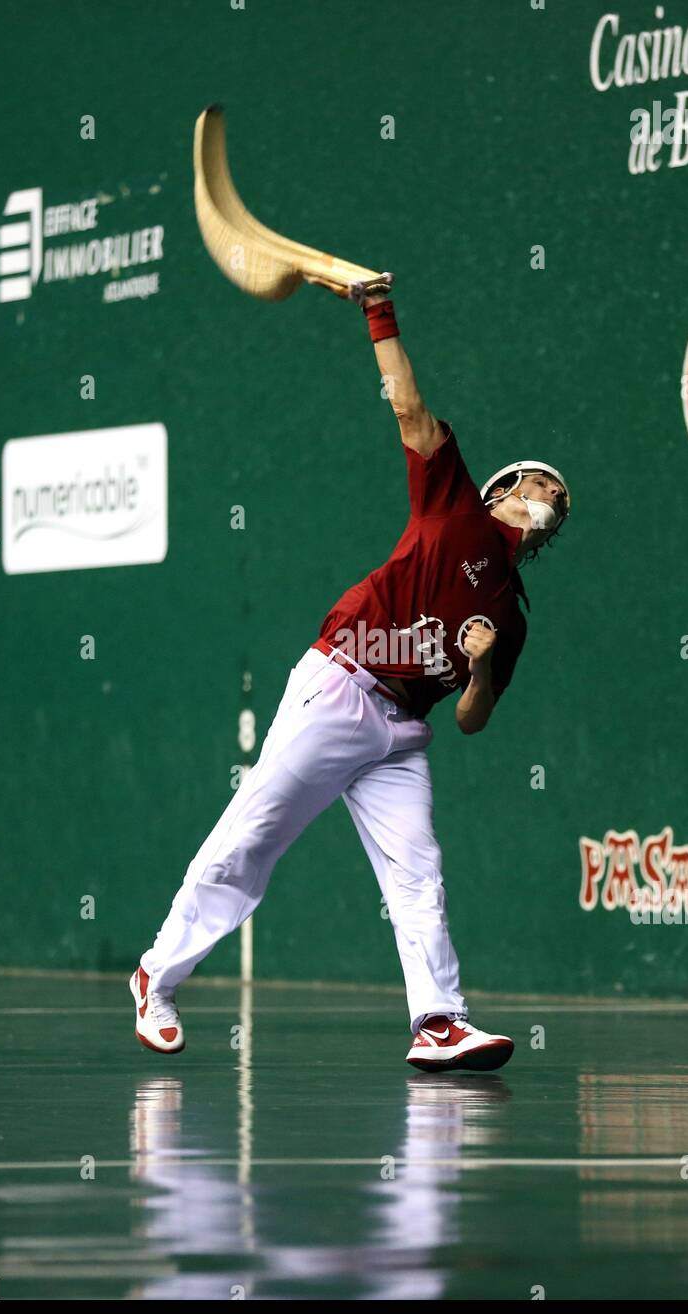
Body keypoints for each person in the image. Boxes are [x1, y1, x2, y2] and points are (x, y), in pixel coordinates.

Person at [130, 277, 570, 1072]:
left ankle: (438, 1021)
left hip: (402, 734)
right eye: (543, 483)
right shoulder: (455, 508)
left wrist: (477, 669)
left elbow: (474, 717)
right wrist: (379, 312)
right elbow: (407, 407)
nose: (554, 496)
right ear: (504, 490)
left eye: (562, 498)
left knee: (419, 874)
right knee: (251, 840)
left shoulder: (513, 617)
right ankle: (156, 976)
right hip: (341, 685)